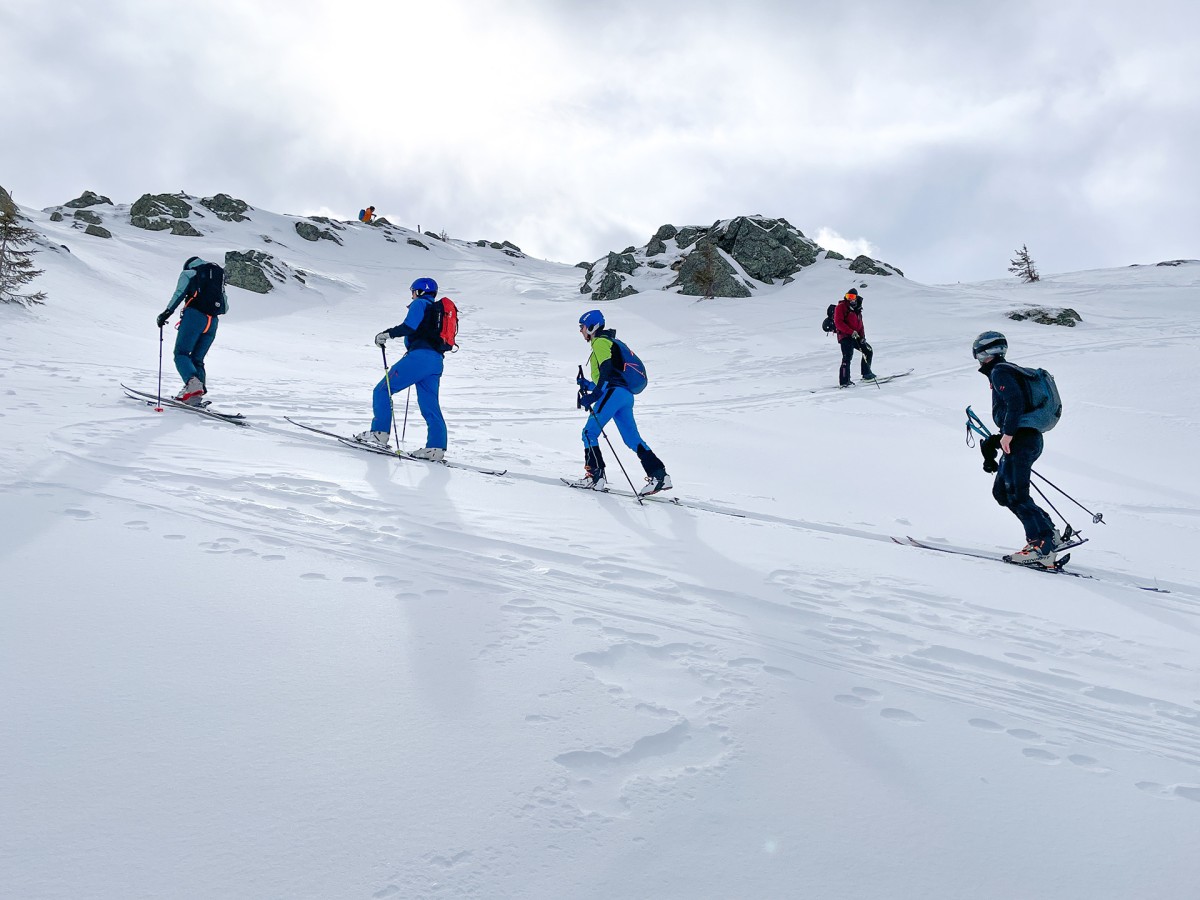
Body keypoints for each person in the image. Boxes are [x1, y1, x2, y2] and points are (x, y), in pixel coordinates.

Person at [973, 330, 1064, 566]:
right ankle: (1050, 535)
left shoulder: (1000, 371)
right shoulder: (1008, 370)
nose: (978, 359)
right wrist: (999, 439)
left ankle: (1041, 546)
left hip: (1021, 440)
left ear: (985, 353)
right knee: (1002, 493)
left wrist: (1008, 435)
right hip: (1025, 438)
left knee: (1016, 494)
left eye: (979, 354)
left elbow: (1015, 403)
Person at [571, 309, 671, 496]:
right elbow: (609, 376)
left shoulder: (599, 342)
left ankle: (595, 477)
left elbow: (607, 370)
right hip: (624, 396)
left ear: (591, 326)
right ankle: (660, 476)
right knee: (632, 439)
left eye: (582, 326)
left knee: (589, 433)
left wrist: (594, 395)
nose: (581, 331)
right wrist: (588, 385)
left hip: (613, 393)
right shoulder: (610, 342)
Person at [354, 277, 448, 459]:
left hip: (419, 358)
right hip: (436, 361)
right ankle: (436, 448)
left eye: (413, 291)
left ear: (420, 291)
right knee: (430, 405)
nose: (412, 295)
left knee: (382, 390)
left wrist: (386, 334)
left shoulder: (420, 304)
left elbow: (409, 326)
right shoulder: (439, 312)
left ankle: (379, 434)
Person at [155, 256, 229, 405]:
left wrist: (166, 314)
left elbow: (179, 293)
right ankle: (195, 394)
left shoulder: (190, 273)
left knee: (181, 354)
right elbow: (225, 307)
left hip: (194, 317)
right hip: (212, 322)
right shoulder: (217, 276)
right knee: (197, 359)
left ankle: (193, 386)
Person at [833, 288, 876, 387]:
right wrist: (851, 331)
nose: (850, 299)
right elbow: (838, 323)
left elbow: (860, 325)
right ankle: (844, 381)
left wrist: (862, 337)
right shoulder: (841, 307)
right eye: (848, 296)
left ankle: (866, 374)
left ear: (856, 298)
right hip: (845, 336)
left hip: (856, 336)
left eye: (852, 297)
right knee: (847, 357)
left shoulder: (858, 308)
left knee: (868, 351)